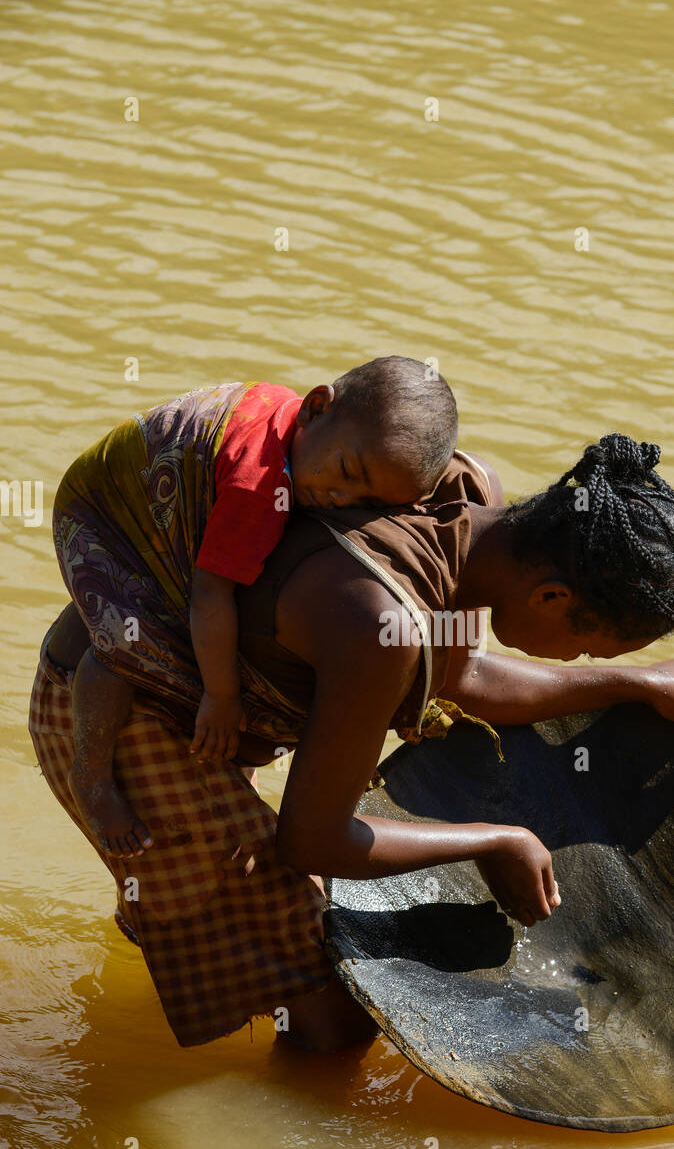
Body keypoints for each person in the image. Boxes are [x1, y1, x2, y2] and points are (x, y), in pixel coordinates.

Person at [32, 432, 674, 1054]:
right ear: (552, 597)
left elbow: (465, 679)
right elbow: (312, 840)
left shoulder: (466, 496)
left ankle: (187, 929)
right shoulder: (379, 626)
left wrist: (637, 684)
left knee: (265, 923)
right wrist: (493, 839)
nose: (579, 661)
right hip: (116, 712)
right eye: (590, 647)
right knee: (334, 1019)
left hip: (192, 699)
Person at [53, 356, 458, 857]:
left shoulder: (296, 430)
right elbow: (211, 592)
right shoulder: (259, 490)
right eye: (347, 472)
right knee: (130, 639)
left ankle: (236, 774)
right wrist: (221, 697)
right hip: (101, 518)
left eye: (367, 501)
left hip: (144, 480)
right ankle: (90, 776)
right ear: (315, 407)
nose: (338, 497)